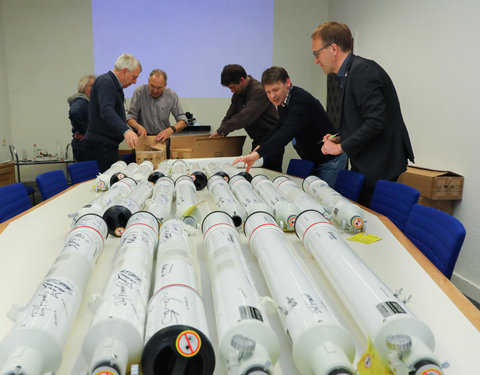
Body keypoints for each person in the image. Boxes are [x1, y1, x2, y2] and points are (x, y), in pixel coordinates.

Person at [311, 21, 414, 205]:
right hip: (369, 163)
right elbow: (361, 120)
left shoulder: (362, 71)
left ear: (333, 48)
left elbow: (376, 121)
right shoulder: (349, 73)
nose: (316, 60)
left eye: (317, 53)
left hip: (380, 165)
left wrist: (340, 148)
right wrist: (341, 138)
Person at [233, 66, 347, 186]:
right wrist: (260, 147)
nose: (272, 96)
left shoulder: (300, 101)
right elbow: (279, 126)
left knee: (325, 199)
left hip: (329, 162)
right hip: (313, 160)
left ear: (287, 83)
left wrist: (258, 154)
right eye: (268, 92)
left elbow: (286, 133)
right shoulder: (283, 101)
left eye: (275, 90)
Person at [211, 64, 284, 172]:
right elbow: (230, 115)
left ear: (242, 80)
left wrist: (221, 130)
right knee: (255, 172)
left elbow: (245, 117)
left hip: (272, 140)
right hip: (258, 140)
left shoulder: (259, 90)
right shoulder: (238, 94)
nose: (232, 91)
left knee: (269, 174)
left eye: (232, 87)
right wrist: (220, 134)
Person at [85, 53, 141, 172]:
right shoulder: (106, 82)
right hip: (101, 146)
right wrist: (125, 130)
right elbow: (106, 111)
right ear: (125, 71)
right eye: (134, 77)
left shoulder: (112, 83)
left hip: (106, 145)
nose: (135, 82)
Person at [127, 69, 188, 142]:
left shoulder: (171, 95)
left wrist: (171, 129)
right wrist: (138, 127)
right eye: (152, 86)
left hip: (163, 139)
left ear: (165, 85)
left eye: (159, 88)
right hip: (143, 139)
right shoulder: (139, 92)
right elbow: (130, 117)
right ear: (148, 81)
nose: (155, 91)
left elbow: (183, 121)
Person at [67, 74, 96, 162]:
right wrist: (84, 132)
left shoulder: (89, 101)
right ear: (83, 87)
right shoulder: (80, 100)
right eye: (92, 86)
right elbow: (74, 113)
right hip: (85, 145)